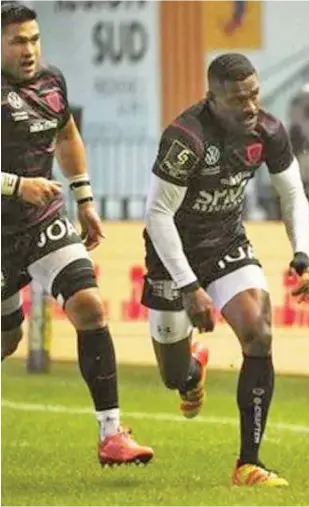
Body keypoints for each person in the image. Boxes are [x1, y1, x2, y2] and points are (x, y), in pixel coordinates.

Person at [141, 52, 309, 487]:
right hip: (172, 253)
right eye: (237, 99)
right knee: (172, 376)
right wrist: (188, 286)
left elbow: (292, 194)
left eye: (253, 94)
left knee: (259, 333)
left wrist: (302, 254)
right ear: (212, 99)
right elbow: (157, 216)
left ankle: (248, 463)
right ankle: (191, 372)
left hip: (226, 242)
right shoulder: (187, 138)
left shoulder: (269, 131)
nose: (249, 106)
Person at [0, 2, 154, 466]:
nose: (29, 50)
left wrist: (84, 198)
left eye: (34, 39)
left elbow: (66, 134)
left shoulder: (52, 81)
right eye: (17, 41)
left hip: (43, 219)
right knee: (7, 340)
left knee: (89, 305)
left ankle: (111, 435)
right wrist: (16, 185)